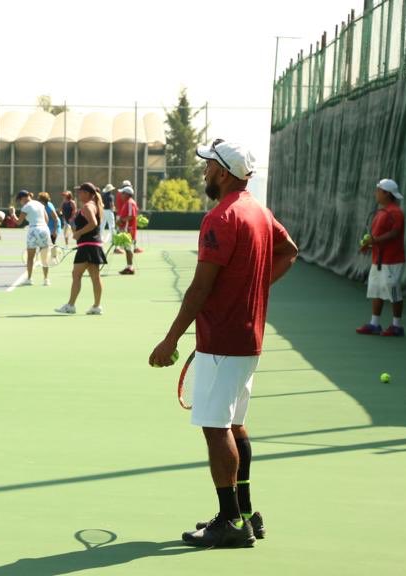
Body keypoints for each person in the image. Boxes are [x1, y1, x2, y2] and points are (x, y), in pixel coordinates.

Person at [148, 139, 298, 548]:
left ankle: (232, 523)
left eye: (209, 166)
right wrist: (253, 291)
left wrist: (170, 338)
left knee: (216, 428)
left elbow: (200, 288)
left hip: (223, 340)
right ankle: (245, 514)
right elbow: (290, 252)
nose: (204, 172)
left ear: (225, 172)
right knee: (233, 424)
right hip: (247, 339)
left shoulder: (221, 217)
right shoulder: (260, 212)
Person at [356, 178, 406, 336]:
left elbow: (394, 233)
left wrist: (374, 240)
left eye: (378, 191)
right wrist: (368, 245)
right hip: (378, 260)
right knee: (376, 291)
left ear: (387, 193)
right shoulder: (380, 213)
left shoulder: (396, 212)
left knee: (394, 292)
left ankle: (397, 326)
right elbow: (376, 236)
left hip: (393, 260)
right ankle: (374, 324)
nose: (376, 194)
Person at [55, 182, 106, 315]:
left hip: (87, 246)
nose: (78, 193)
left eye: (81, 191)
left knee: (76, 275)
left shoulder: (88, 206)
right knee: (95, 277)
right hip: (94, 246)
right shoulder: (94, 205)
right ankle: (97, 306)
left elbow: (93, 224)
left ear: (87, 193)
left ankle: (70, 305)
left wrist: (79, 233)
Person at [14, 190, 52, 286]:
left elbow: (18, 222)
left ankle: (30, 279)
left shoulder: (26, 207)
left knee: (30, 258)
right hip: (44, 229)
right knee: (44, 257)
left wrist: (12, 213)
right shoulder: (40, 204)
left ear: (23, 198)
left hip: (33, 231)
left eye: (20, 200)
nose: (20, 202)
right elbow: (47, 219)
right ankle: (46, 280)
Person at [116, 185, 139, 275]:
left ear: (127, 194)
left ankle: (130, 267)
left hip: (129, 229)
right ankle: (129, 266)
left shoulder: (130, 202)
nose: (121, 195)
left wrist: (121, 220)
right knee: (127, 248)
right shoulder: (128, 202)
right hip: (127, 229)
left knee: (128, 248)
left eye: (123, 193)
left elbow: (131, 216)